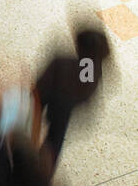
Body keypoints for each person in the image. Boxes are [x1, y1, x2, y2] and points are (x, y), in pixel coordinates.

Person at [33, 27, 111, 163]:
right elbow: (86, 94)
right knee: (55, 140)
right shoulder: (94, 70)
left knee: (31, 126)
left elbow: (39, 87)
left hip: (47, 99)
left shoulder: (61, 63)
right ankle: (43, 168)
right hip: (66, 107)